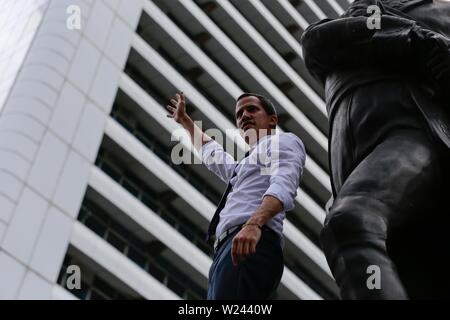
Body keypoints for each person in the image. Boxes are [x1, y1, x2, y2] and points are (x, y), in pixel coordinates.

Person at [300, 0, 450, 299]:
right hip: (360, 153)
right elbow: (318, 40)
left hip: (419, 137)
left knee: (352, 221)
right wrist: (416, 40)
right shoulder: (360, 16)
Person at [166, 92, 305, 299]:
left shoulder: (283, 142)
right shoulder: (245, 166)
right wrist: (186, 122)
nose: (244, 116)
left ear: (272, 120)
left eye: (252, 109)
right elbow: (212, 154)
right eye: (239, 114)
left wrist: (253, 225)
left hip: (250, 241)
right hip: (228, 249)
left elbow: (283, 184)